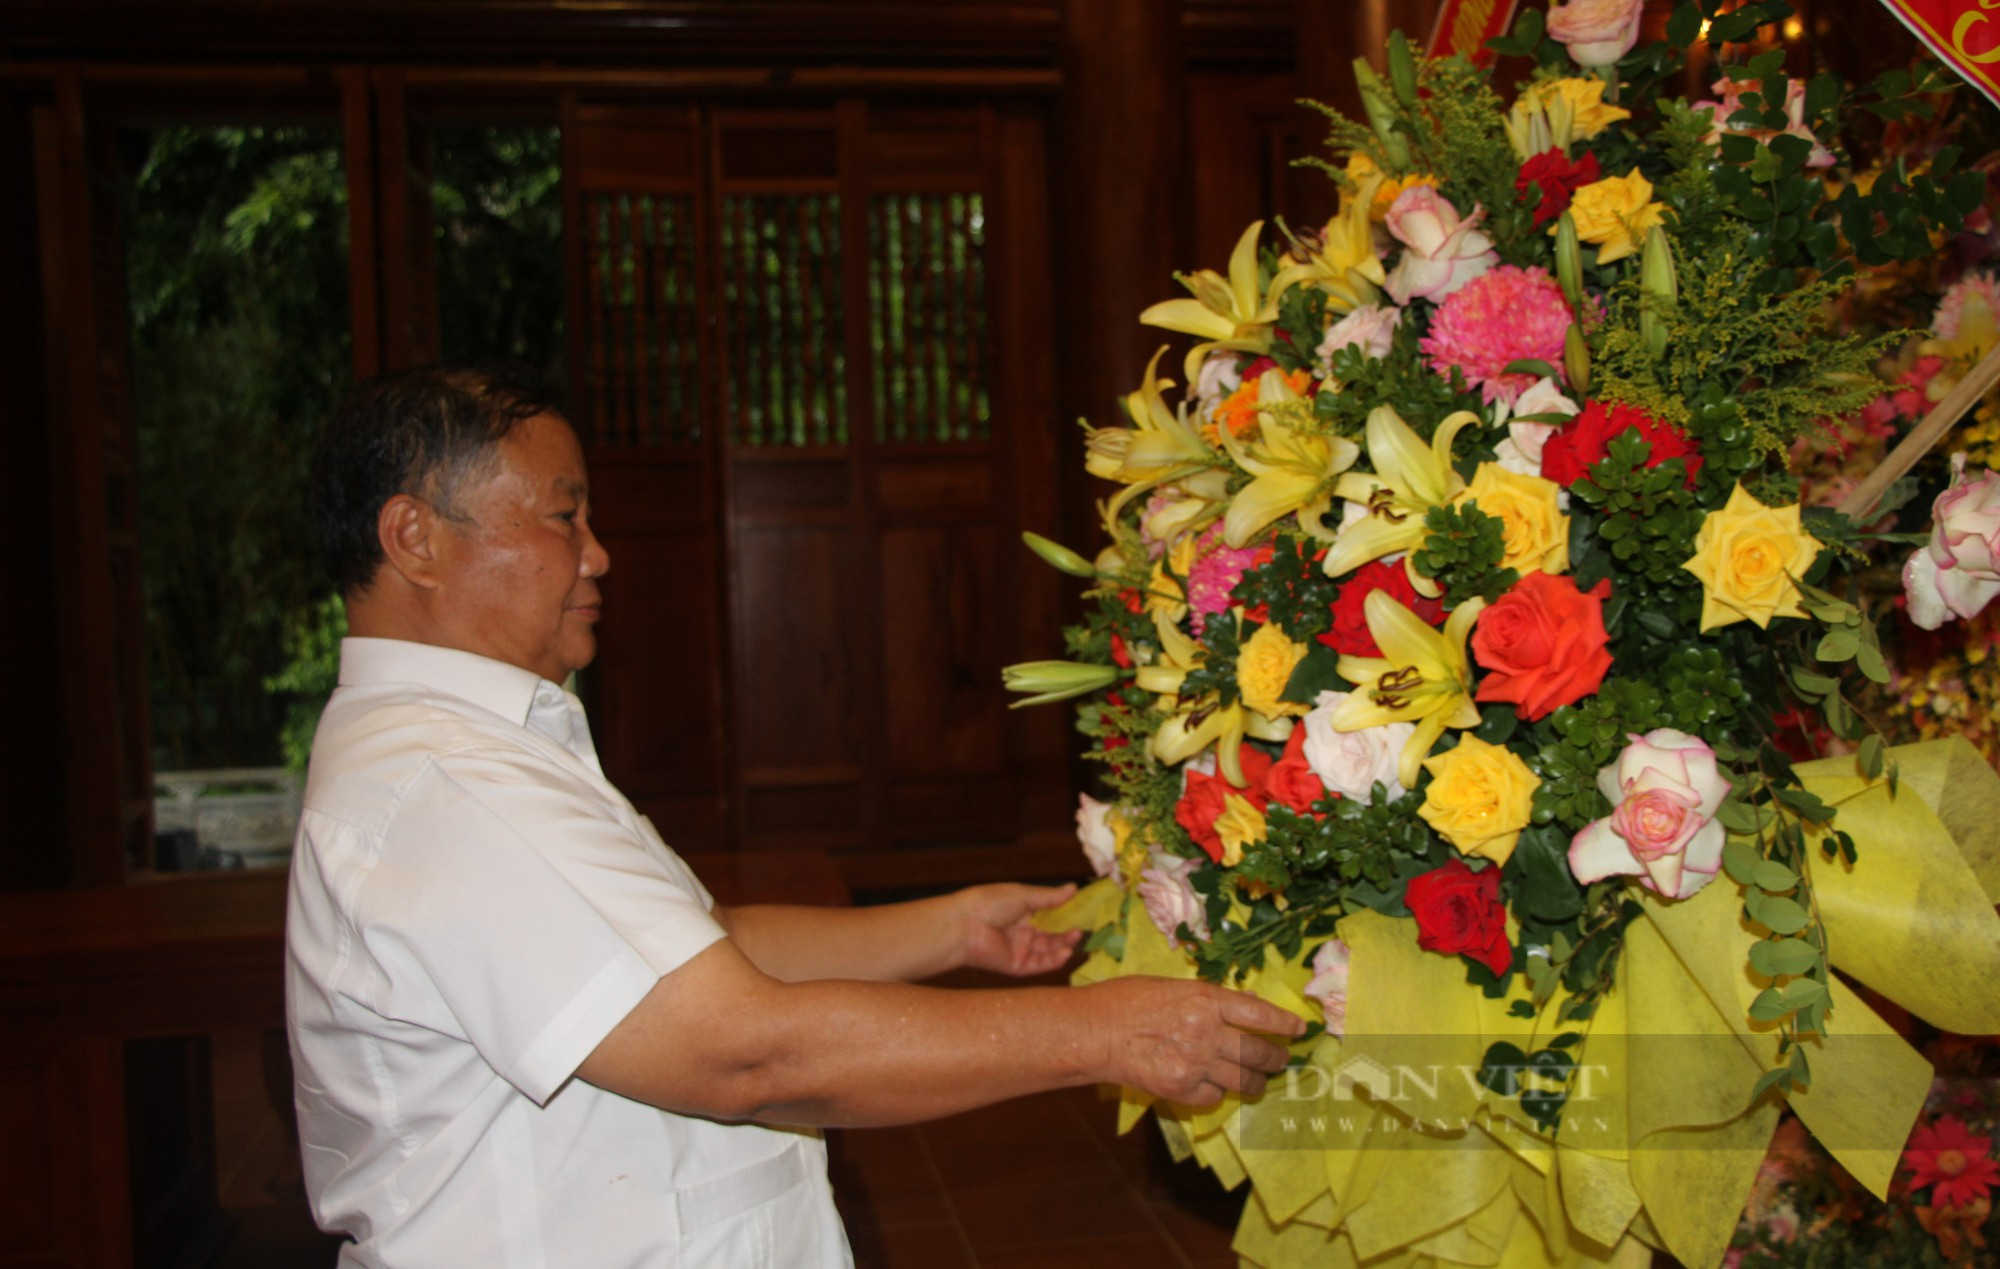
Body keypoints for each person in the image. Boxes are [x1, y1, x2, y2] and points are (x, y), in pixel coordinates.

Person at [285, 364, 1303, 1268]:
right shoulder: (450, 784)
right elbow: (738, 1048)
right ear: (413, 538)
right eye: (562, 518)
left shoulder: (473, 751)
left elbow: (690, 959)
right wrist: (1104, 1033)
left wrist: (949, 929)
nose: (598, 557)